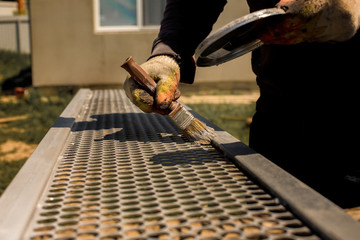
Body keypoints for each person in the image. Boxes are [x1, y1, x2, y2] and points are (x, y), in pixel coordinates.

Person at [124, 0, 360, 208]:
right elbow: (193, 5)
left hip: (350, 122)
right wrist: (168, 51)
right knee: (272, 218)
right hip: (278, 117)